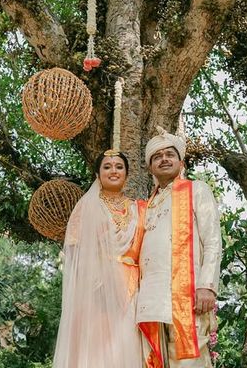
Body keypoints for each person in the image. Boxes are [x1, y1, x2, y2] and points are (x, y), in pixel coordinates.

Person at [137, 127, 222, 368]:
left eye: (169, 154)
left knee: (188, 362)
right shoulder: (148, 205)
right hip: (150, 300)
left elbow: (213, 240)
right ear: (149, 166)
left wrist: (207, 286)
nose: (164, 159)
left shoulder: (197, 190)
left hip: (187, 295)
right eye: (157, 156)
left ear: (181, 161)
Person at [53, 151, 146, 368]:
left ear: (127, 174)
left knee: (128, 346)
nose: (113, 171)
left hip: (133, 292)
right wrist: (98, 282)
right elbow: (75, 253)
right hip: (98, 291)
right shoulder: (87, 207)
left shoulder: (138, 209)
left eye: (119, 166)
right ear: (97, 174)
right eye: (107, 166)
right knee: (98, 353)